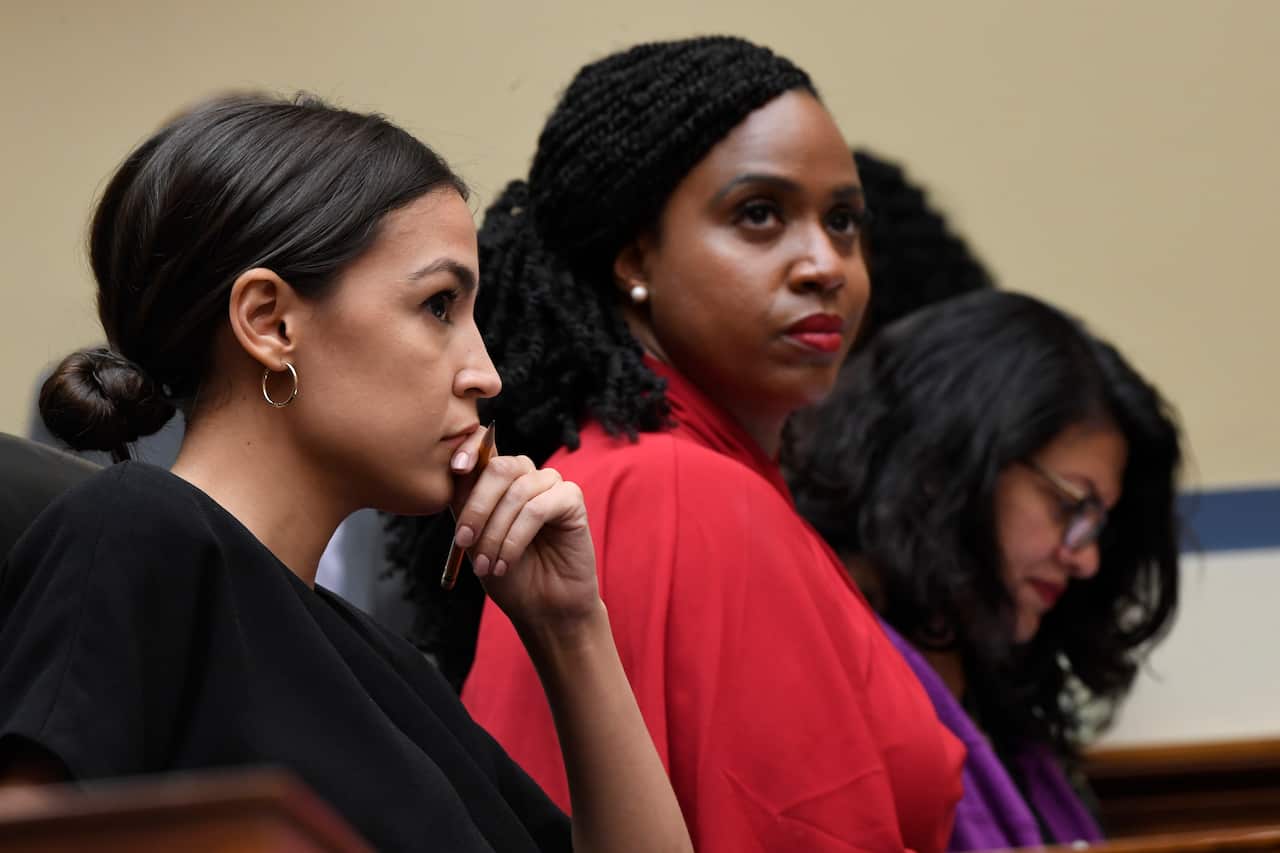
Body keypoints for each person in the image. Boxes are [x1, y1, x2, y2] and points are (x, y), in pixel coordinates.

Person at [0, 93, 693, 853]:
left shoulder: (398, 672)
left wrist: (571, 629)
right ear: (270, 322)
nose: (486, 374)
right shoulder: (134, 529)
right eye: (437, 306)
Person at [391, 36, 966, 852]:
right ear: (636, 259)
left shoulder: (652, 473)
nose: (825, 264)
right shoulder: (678, 487)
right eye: (759, 214)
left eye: (844, 222)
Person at [788, 290, 1182, 849]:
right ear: (944, 466)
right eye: (1071, 506)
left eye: (1099, 526)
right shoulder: (818, 655)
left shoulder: (1006, 702)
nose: (1087, 558)